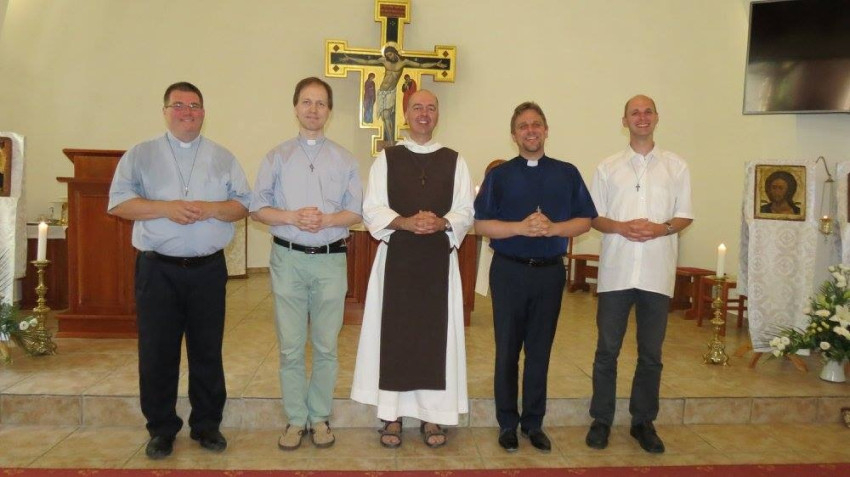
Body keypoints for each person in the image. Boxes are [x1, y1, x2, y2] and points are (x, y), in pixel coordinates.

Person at [108, 81, 251, 459]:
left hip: (208, 270)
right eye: (179, 105)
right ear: (165, 111)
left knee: (207, 350)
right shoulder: (140, 154)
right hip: (158, 270)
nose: (188, 112)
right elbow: (118, 204)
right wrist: (166, 208)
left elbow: (242, 205)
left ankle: (207, 425)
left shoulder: (223, 157)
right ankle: (161, 428)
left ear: (204, 112)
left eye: (195, 106)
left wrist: (210, 208)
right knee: (157, 352)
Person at [350, 89, 474, 449]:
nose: (424, 113)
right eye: (417, 107)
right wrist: (404, 222)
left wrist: (442, 222)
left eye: (431, 108)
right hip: (397, 262)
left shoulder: (455, 160)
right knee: (397, 336)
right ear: (406, 114)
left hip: (438, 263)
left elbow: (466, 210)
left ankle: (433, 416)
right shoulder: (387, 159)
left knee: (435, 338)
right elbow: (372, 208)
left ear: (438, 115)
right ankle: (392, 415)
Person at [474, 102, 596, 453]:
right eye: (523, 126)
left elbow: (585, 219)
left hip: (549, 273)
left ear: (546, 130)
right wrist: (520, 227)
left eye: (536, 124)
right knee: (507, 351)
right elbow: (481, 225)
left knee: (540, 351)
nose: (531, 130)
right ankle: (507, 423)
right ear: (513, 135)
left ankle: (533, 423)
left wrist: (554, 228)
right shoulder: (500, 175)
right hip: (509, 271)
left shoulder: (566, 173)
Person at [250, 77, 363, 451]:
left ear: (329, 111)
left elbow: (356, 211)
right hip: (289, 258)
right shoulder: (277, 156)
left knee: (326, 345)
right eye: (306, 102)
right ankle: (296, 418)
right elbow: (257, 207)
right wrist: (291, 217)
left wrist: (328, 220)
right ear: (295, 107)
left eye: (321, 103)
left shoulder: (345, 159)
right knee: (291, 346)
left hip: (330, 260)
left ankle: (320, 417)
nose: (313, 109)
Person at [585, 95, 693, 454]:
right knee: (607, 350)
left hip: (656, 272)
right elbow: (594, 217)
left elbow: (685, 214)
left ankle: (642, 421)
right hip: (616, 271)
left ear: (657, 118)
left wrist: (661, 229)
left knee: (651, 353)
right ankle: (601, 419)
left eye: (648, 112)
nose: (642, 117)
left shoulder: (676, 166)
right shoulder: (607, 167)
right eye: (635, 112)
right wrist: (621, 226)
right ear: (624, 121)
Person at [343, 43, 447, 144]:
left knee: (386, 115)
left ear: (395, 52)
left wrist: (435, 64)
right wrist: (350, 59)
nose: (389, 57)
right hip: (381, 92)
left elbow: (421, 65)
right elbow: (367, 61)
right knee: (384, 117)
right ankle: (390, 142)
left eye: (390, 54)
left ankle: (390, 142)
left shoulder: (403, 62)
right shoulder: (384, 61)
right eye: (387, 56)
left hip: (391, 93)